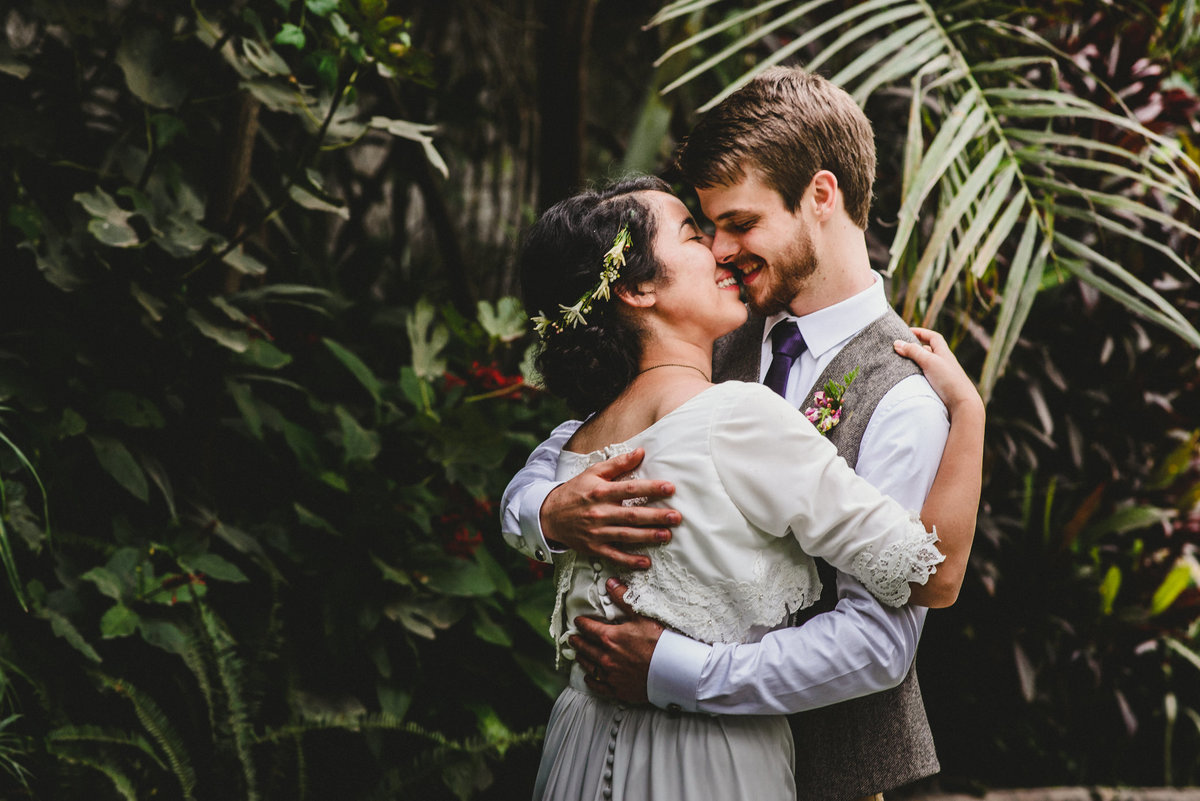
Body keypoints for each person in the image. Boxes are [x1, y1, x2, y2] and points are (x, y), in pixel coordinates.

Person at [502, 67, 985, 801]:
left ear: (821, 196)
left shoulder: (906, 399)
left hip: (825, 776)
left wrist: (673, 671)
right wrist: (545, 509)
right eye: (705, 227)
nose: (722, 251)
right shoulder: (708, 330)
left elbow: (885, 638)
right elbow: (575, 443)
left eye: (739, 223)